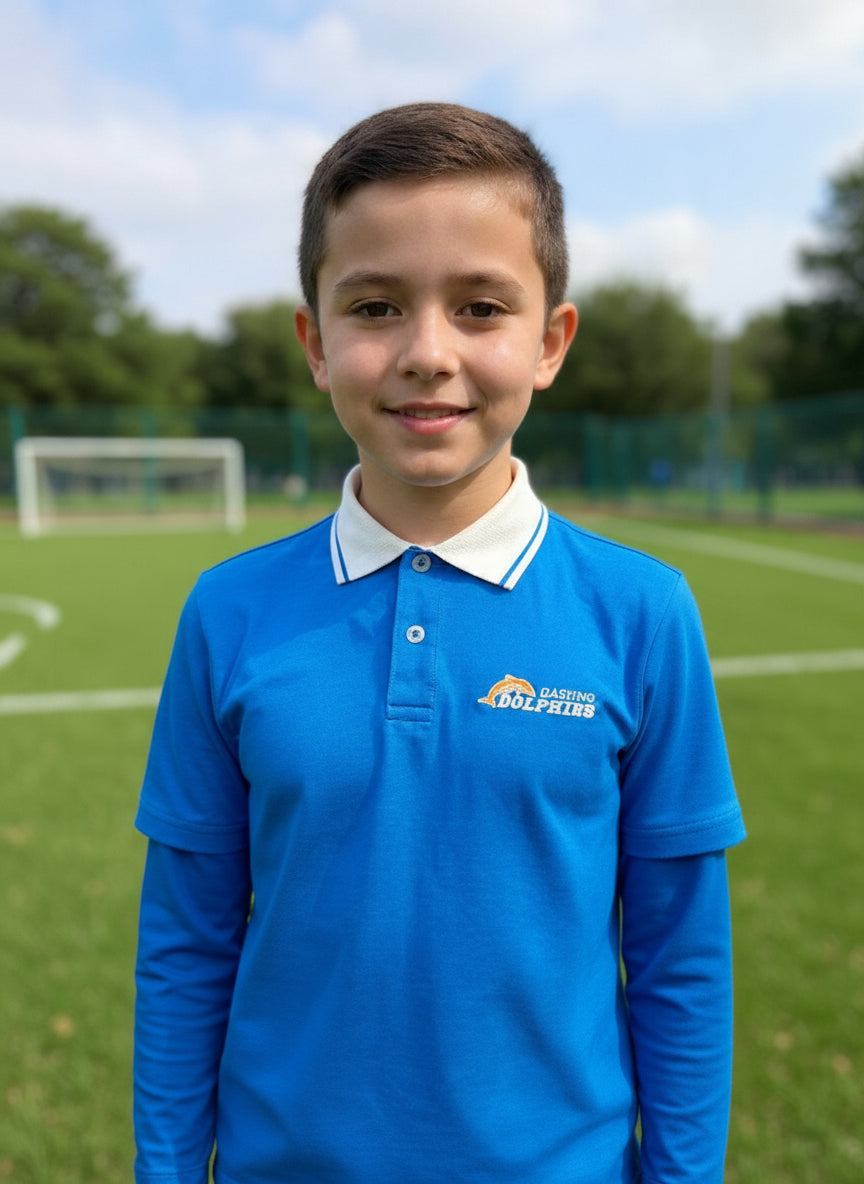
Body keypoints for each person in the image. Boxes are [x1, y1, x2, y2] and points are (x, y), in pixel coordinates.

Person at [133, 102, 745, 1184]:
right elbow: (186, 941)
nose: (427, 352)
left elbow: (679, 951)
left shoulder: (644, 610)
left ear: (549, 340)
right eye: (375, 306)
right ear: (316, 343)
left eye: (479, 306)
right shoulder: (225, 610)